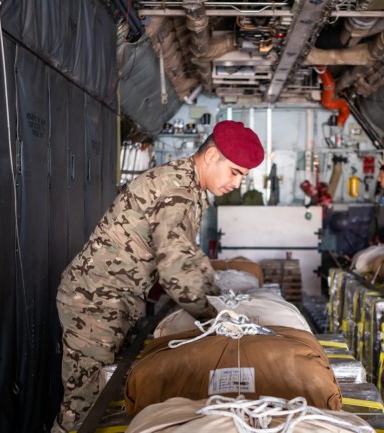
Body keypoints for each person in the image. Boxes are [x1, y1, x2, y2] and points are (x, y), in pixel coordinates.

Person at [52, 120, 265, 433]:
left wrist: (215, 295)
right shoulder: (179, 190)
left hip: (113, 298)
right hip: (94, 301)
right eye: (234, 171)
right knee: (83, 409)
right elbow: (175, 264)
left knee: (106, 398)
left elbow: (189, 255)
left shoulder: (187, 184)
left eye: (243, 176)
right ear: (210, 156)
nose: (237, 183)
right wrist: (213, 318)